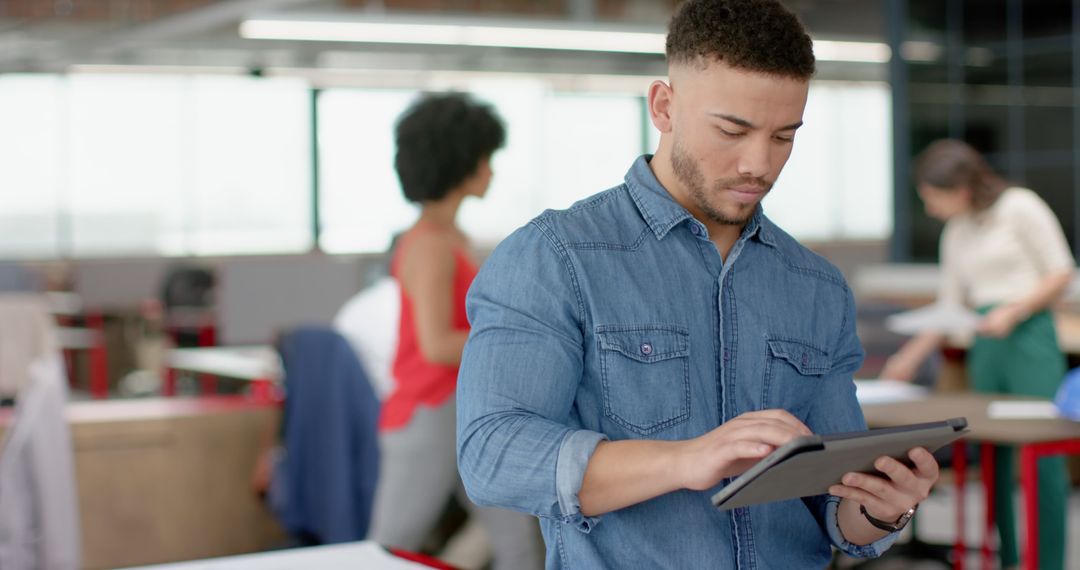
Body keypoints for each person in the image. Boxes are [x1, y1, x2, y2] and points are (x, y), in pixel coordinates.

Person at [456, 1, 942, 567]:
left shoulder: (817, 287)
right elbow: (492, 456)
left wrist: (883, 508)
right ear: (664, 106)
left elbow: (835, 507)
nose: (758, 164)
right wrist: (685, 460)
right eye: (732, 130)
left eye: (784, 136)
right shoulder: (555, 257)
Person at [366, 92, 543, 570]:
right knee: (390, 546)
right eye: (487, 159)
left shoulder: (450, 239)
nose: (492, 171)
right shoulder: (429, 246)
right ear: (462, 162)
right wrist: (519, 337)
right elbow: (437, 344)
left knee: (518, 543)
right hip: (428, 414)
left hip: (463, 411)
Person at [881, 139, 1074, 570]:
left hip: (1029, 336)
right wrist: (908, 357)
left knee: (1043, 459)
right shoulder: (956, 231)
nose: (930, 209)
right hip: (984, 344)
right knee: (994, 458)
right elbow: (952, 305)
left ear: (961, 189)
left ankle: (1048, 562)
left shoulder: (1020, 207)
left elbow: (1061, 271)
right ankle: (1007, 559)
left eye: (933, 198)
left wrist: (1014, 310)